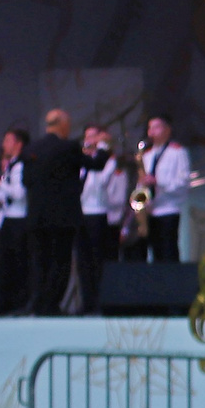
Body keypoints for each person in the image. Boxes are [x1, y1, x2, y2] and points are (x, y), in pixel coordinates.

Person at [22, 108, 91, 315]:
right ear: (62, 124)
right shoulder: (68, 147)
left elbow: (26, 181)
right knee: (60, 260)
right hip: (63, 216)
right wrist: (104, 148)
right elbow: (95, 164)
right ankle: (52, 304)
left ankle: (38, 302)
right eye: (68, 123)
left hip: (38, 215)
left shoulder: (31, 149)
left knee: (40, 260)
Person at [75, 126, 126, 314]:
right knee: (83, 261)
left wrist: (99, 153)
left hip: (97, 213)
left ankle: (101, 302)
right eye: (87, 137)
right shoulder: (82, 162)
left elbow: (101, 182)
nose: (89, 141)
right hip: (81, 214)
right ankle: (86, 301)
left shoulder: (109, 162)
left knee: (98, 260)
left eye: (93, 137)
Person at [134, 114, 191, 262]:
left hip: (168, 209)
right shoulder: (146, 155)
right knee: (155, 254)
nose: (151, 132)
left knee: (168, 253)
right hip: (150, 210)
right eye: (149, 128)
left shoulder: (178, 152)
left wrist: (158, 181)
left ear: (167, 130)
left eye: (156, 127)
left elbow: (183, 182)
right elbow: (142, 181)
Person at [0, 129, 29, 316]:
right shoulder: (10, 166)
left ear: (18, 144)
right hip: (7, 218)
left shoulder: (21, 166)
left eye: (8, 140)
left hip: (19, 220)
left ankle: (18, 303)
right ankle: (5, 302)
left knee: (17, 264)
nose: (4, 144)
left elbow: (19, 194)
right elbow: (6, 193)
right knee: (4, 264)